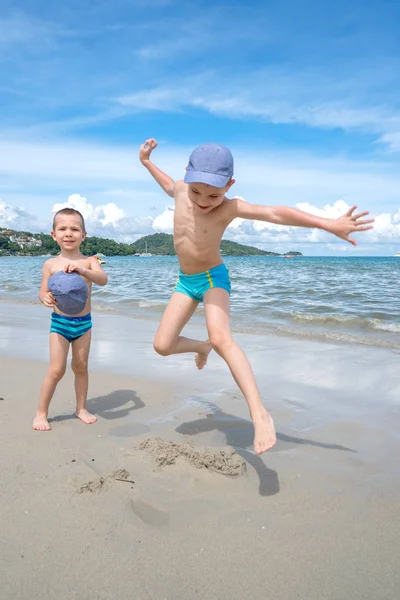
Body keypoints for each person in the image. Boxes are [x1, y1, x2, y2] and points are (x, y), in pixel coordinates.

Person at [139, 139, 374, 454]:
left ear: (229, 185)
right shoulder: (182, 190)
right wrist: (146, 162)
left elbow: (275, 214)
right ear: (188, 176)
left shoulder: (230, 207)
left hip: (212, 278)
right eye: (197, 191)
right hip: (185, 280)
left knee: (222, 337)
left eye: (214, 194)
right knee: (162, 345)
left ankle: (259, 414)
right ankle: (202, 346)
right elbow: (169, 184)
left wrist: (326, 224)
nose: (204, 200)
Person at [32, 208, 108, 431]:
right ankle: (41, 412)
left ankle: (81, 408)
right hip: (60, 324)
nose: (68, 233)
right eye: (62, 229)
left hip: (84, 324)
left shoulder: (90, 261)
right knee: (56, 369)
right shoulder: (50, 265)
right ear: (53, 234)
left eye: (74, 229)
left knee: (81, 366)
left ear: (83, 235)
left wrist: (83, 271)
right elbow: (42, 292)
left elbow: (103, 280)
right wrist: (44, 298)